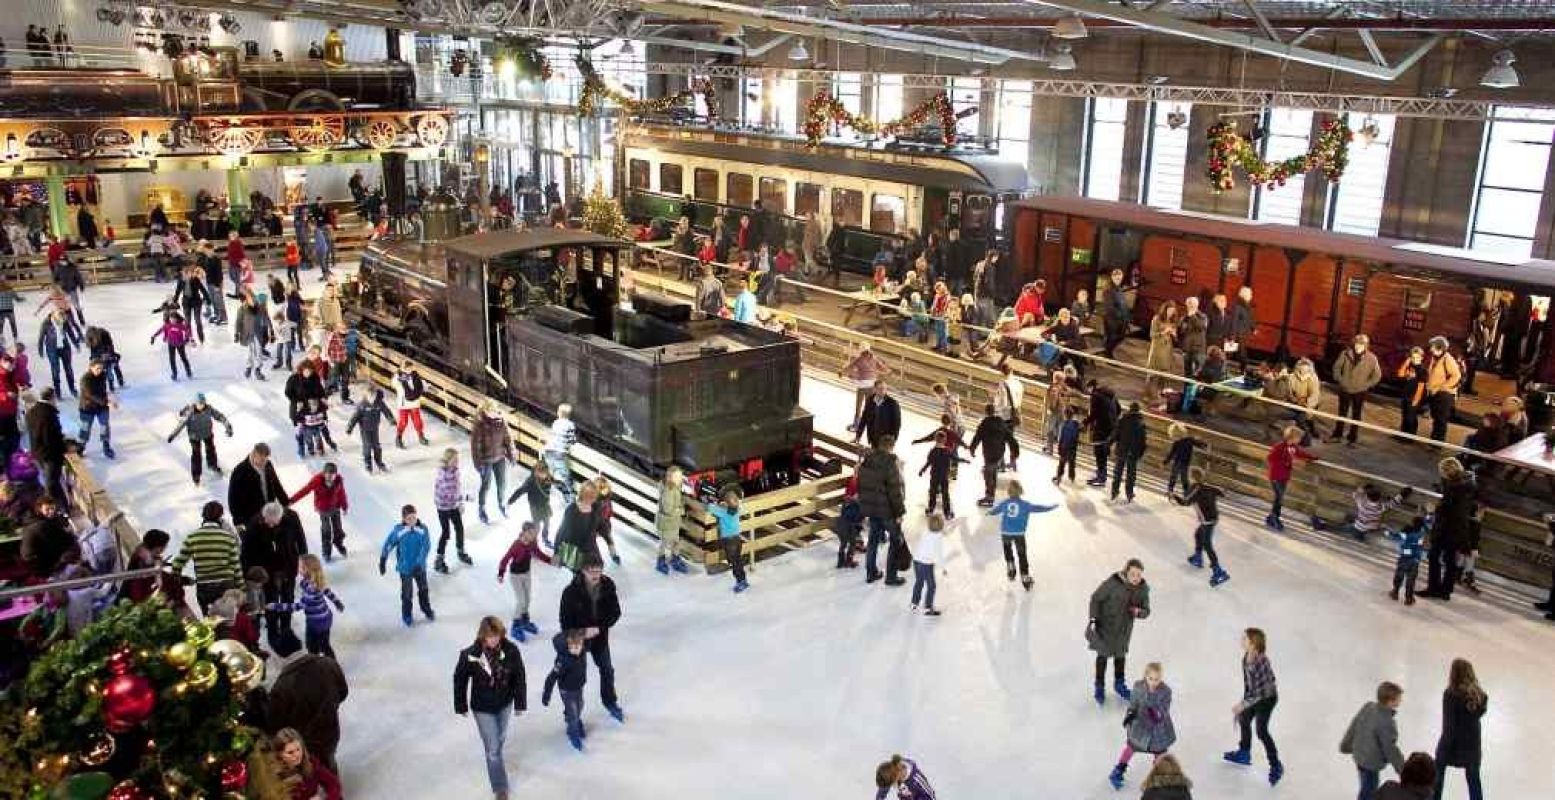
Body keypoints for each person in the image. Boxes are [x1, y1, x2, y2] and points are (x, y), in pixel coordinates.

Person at [453, 616, 526, 800]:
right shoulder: (471, 654)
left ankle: (494, 760)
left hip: (504, 704)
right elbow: (460, 680)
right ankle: (500, 788)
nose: (493, 640)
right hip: (483, 708)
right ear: (482, 636)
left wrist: (519, 703)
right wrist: (460, 705)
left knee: (499, 739)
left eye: (497, 635)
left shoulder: (511, 651)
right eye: (489, 636)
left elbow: (519, 677)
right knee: (493, 749)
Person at [267, 630, 349, 775]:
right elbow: (343, 691)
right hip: (331, 730)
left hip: (303, 741)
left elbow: (276, 723)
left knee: (310, 771)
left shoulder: (281, 687)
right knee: (327, 760)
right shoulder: (327, 663)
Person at [558, 555, 625, 722]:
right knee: (575, 679)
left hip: (599, 637)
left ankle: (610, 701)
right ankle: (572, 717)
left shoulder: (608, 586)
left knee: (607, 670)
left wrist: (599, 629)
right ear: (583, 571)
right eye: (591, 571)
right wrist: (582, 633)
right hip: (577, 639)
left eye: (599, 571)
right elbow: (565, 622)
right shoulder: (570, 592)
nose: (596, 575)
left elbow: (615, 612)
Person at [1224, 627, 1283, 786]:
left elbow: (1260, 692)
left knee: (1261, 731)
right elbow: (1250, 686)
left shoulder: (1261, 660)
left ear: (1253, 643)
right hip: (1255, 696)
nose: (1241, 640)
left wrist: (1242, 705)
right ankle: (1244, 753)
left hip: (1267, 699)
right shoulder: (1246, 657)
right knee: (1244, 719)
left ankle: (1276, 765)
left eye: (1245, 639)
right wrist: (1244, 705)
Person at [1088, 559, 1150, 705]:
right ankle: (1099, 686)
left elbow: (1146, 611)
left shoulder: (1142, 589)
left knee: (1120, 657)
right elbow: (1095, 598)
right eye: (1133, 574)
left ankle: (1119, 684)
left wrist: (1138, 611)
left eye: (1139, 575)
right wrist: (1093, 618)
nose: (1136, 578)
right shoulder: (1113, 583)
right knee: (1102, 656)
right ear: (1126, 572)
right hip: (1105, 627)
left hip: (1124, 630)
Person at [1108, 662, 1177, 791]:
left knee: (1159, 752)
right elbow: (1133, 703)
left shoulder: (1166, 691)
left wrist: (1156, 713)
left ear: (1161, 678)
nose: (1153, 682)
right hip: (1140, 726)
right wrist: (1130, 714)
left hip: (1158, 730)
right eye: (1150, 678)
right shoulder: (1138, 687)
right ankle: (1119, 769)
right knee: (1130, 747)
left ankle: (1159, 774)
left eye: (1157, 679)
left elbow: (1164, 709)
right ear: (1145, 676)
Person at [267, 553, 345, 659]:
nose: (297, 568)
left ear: (306, 569)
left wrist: (276, 606)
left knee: (312, 646)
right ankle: (331, 661)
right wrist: (337, 602)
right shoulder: (317, 581)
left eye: (299, 567)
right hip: (326, 618)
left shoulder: (310, 589)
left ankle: (315, 663)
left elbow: (298, 606)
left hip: (315, 622)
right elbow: (327, 591)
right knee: (325, 644)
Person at [1421, 457, 1476, 602]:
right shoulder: (1467, 484)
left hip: (1446, 528)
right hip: (1458, 529)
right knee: (1450, 560)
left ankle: (1433, 588)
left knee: (1434, 556)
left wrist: (1433, 510)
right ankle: (1446, 590)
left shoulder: (1454, 488)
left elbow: (1448, 508)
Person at [1342, 681, 1408, 799]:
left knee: (1365, 785)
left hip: (1359, 755)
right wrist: (1404, 771)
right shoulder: (1387, 722)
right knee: (1369, 791)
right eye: (1399, 698)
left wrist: (1346, 744)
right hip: (1370, 763)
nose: (1401, 700)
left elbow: (1354, 725)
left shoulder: (1368, 706)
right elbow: (1390, 749)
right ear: (1390, 701)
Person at [1431, 658, 1486, 800]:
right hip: (1472, 748)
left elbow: (1449, 727)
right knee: (1474, 781)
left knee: (1437, 775)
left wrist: (1442, 751)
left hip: (1454, 746)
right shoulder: (1480, 697)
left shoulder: (1450, 695)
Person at [857, 434, 908, 587]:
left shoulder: (867, 460)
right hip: (888, 511)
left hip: (872, 509)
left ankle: (871, 572)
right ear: (891, 446)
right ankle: (891, 577)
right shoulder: (890, 463)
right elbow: (895, 491)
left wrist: (865, 506)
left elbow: (861, 484)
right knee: (895, 541)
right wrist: (899, 513)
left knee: (872, 540)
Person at [990, 479, 1058, 590]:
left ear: (1009, 492)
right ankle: (1025, 577)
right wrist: (1050, 507)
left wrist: (989, 512)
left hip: (1005, 532)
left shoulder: (1005, 503)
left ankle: (1011, 567)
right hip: (1019, 534)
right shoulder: (1025, 505)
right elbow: (1039, 508)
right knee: (1022, 555)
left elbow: (995, 511)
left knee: (1008, 551)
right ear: (1020, 491)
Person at [380, 504, 435, 626]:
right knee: (407, 593)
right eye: (409, 518)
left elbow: (426, 547)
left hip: (420, 568)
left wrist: (420, 562)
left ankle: (426, 609)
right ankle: (407, 614)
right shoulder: (399, 531)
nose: (412, 521)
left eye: (414, 517)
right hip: (405, 569)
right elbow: (389, 544)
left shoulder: (422, 530)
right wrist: (383, 559)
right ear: (404, 519)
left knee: (423, 589)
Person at [498, 521, 553, 642]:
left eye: (535, 533)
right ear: (524, 532)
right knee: (521, 600)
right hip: (515, 576)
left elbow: (539, 554)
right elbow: (505, 559)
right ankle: (515, 625)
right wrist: (501, 573)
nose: (534, 535)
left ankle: (525, 620)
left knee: (527, 599)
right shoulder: (516, 545)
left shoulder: (533, 543)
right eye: (531, 533)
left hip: (526, 574)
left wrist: (551, 561)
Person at [166, 393, 233, 486]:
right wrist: (172, 435)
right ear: (195, 404)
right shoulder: (190, 412)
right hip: (194, 436)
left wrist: (227, 425)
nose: (202, 406)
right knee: (196, 454)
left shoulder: (209, 409)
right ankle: (196, 475)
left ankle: (212, 465)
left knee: (211, 450)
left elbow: (220, 416)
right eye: (199, 404)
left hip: (207, 433)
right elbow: (181, 425)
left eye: (203, 403)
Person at [289, 462, 350, 561]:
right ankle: (326, 551)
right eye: (328, 474)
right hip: (323, 509)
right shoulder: (317, 481)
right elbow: (305, 490)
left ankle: (338, 543)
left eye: (332, 475)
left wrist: (345, 506)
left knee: (338, 528)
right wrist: (292, 500)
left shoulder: (338, 480)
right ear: (324, 473)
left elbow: (342, 494)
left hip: (335, 507)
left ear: (335, 474)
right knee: (326, 530)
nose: (330, 477)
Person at [1330, 334, 1383, 445]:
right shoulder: (1345, 354)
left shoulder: (1372, 358)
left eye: (1361, 344)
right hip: (1345, 388)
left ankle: (1352, 437)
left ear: (1366, 346)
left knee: (1356, 414)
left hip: (1359, 391)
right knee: (1342, 413)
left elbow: (1377, 375)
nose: (1358, 346)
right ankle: (1337, 434)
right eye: (1357, 344)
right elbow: (1336, 367)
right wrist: (1340, 380)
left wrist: (1366, 385)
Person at [469, 401, 516, 524]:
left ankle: (502, 504)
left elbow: (508, 439)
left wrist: (512, 455)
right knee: (486, 485)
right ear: (486, 411)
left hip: (499, 457)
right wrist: (478, 465)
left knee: (502, 483)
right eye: (492, 411)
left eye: (496, 411)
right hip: (485, 460)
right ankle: (482, 508)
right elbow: (475, 447)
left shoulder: (501, 421)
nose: (495, 413)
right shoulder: (480, 424)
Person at [542, 629, 589, 751]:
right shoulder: (563, 661)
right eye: (572, 647)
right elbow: (551, 678)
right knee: (573, 711)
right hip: (567, 691)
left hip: (579, 686)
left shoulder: (583, 652)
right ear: (567, 646)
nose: (576, 650)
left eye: (578, 646)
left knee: (580, 705)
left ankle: (573, 719)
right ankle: (573, 733)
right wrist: (546, 694)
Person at [1264, 425, 1317, 532]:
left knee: (1279, 497)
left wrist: (1312, 457)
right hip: (1276, 476)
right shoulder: (1279, 447)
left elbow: (1300, 453)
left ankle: (1272, 517)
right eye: (1298, 438)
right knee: (1279, 497)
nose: (1300, 440)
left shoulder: (1293, 447)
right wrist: (1286, 462)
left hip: (1284, 476)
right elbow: (1270, 458)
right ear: (1292, 437)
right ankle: (1274, 517)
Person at [228, 442, 289, 528]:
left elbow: (276, 483)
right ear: (254, 454)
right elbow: (233, 498)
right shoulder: (239, 471)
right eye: (261, 460)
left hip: (269, 511)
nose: (264, 463)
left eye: (266, 459)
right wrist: (238, 520)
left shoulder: (268, 465)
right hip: (252, 516)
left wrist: (285, 502)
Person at [272, 728, 342, 800]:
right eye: (290, 752)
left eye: (298, 749)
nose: (297, 755)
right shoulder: (274, 778)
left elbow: (334, 784)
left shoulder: (311, 763)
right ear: (280, 754)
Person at [24, 385, 67, 501]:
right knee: (51, 484)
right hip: (50, 455)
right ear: (52, 398)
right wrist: (63, 448)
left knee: (50, 481)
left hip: (38, 452)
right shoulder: (48, 414)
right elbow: (50, 437)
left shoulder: (31, 412)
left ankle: (61, 505)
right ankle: (54, 505)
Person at [432, 448, 471, 573]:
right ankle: (439, 559)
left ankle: (460, 550)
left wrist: (459, 502)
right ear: (448, 460)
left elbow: (457, 488)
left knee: (459, 528)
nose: (457, 462)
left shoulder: (455, 471)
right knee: (446, 533)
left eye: (457, 459)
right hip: (443, 507)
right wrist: (464, 499)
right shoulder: (442, 475)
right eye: (454, 460)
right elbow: (450, 493)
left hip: (453, 505)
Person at [707, 487, 750, 593]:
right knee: (737, 560)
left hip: (729, 541)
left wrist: (710, 501)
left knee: (734, 562)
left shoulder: (724, 512)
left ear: (726, 503)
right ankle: (743, 579)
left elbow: (710, 508)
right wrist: (724, 503)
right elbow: (734, 505)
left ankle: (741, 581)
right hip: (737, 539)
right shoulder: (737, 509)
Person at [840, 344, 889, 432]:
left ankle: (856, 425)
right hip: (872, 385)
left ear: (861, 350)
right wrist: (885, 371)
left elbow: (849, 367)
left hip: (862, 384)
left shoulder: (859, 359)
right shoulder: (874, 358)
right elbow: (884, 369)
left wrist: (842, 372)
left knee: (859, 405)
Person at [76, 358, 117, 459]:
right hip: (87, 407)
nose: (100, 371)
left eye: (101, 368)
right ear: (91, 367)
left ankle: (106, 446)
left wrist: (107, 401)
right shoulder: (85, 379)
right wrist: (107, 402)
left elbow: (103, 391)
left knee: (105, 425)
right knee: (85, 428)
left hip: (101, 407)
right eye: (97, 368)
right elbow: (90, 395)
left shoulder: (102, 375)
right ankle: (81, 447)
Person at [918, 430, 965, 519]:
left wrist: (922, 470)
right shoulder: (948, 451)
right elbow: (956, 459)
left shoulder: (933, 451)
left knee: (933, 492)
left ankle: (930, 509)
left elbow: (928, 462)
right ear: (945, 440)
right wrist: (965, 460)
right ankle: (947, 513)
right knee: (945, 494)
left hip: (934, 476)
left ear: (935, 439)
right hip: (944, 476)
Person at [345, 387, 392, 474]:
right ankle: (368, 463)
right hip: (365, 429)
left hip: (374, 428)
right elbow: (355, 417)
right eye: (370, 395)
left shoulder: (379, 403)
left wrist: (391, 419)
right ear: (366, 395)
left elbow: (386, 411)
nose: (372, 397)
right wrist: (349, 428)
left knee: (377, 446)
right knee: (367, 446)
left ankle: (379, 462)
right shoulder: (362, 405)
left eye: (373, 395)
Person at [1423, 336, 1462, 442]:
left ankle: (1437, 443)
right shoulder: (1435, 358)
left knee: (1441, 420)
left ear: (1440, 348)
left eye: (1433, 347)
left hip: (1444, 395)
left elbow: (1456, 375)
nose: (1431, 349)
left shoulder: (1448, 359)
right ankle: (1434, 440)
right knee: (1436, 418)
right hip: (1435, 393)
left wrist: (1443, 387)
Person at [1085, 380, 1121, 488]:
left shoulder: (1095, 396)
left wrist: (1085, 423)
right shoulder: (1111, 395)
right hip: (1111, 427)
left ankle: (1101, 476)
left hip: (1101, 427)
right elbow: (1119, 409)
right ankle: (1101, 473)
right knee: (1104, 450)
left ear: (1091, 387)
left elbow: (1094, 414)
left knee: (1099, 451)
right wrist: (1112, 420)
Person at [1109, 401, 1147, 503]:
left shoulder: (1123, 420)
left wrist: (1110, 442)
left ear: (1129, 409)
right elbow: (1142, 441)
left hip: (1121, 450)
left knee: (1118, 472)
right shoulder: (1141, 423)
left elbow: (1116, 433)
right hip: (1133, 453)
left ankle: (1114, 491)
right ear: (1138, 410)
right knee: (1131, 474)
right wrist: (1140, 453)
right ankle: (1129, 493)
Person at [654, 465, 688, 575]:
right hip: (667, 523)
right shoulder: (668, 491)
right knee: (665, 543)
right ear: (670, 478)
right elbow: (668, 510)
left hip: (673, 522)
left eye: (681, 476)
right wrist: (681, 511)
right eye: (677, 477)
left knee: (675, 542)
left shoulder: (675, 487)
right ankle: (661, 561)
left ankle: (675, 558)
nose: (680, 479)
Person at [37, 309, 78, 397]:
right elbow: (41, 338)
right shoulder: (46, 323)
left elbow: (71, 333)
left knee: (69, 369)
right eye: (61, 320)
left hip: (65, 348)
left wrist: (76, 344)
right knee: (55, 371)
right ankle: (58, 392)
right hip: (52, 349)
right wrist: (40, 350)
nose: (62, 322)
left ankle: (72, 389)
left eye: (64, 320)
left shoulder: (64, 321)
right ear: (55, 316)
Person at [854, 380, 903, 450]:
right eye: (879, 389)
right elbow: (864, 418)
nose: (882, 391)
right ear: (874, 389)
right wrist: (858, 435)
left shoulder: (893, 403)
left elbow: (897, 424)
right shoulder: (870, 400)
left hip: (885, 440)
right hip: (873, 437)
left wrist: (893, 440)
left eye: (884, 389)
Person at [992, 363, 1024, 469]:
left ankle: (1000, 462)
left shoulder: (1003, 384)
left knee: (1000, 439)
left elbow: (1003, 402)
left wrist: (995, 409)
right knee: (1011, 438)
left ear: (1002, 371)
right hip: (1014, 414)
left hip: (1004, 415)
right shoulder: (1019, 383)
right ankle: (1013, 461)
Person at [394, 362, 430, 448]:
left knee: (417, 421)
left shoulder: (415, 376)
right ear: (403, 369)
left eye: (411, 368)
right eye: (407, 368)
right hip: (404, 403)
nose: (410, 370)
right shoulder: (398, 377)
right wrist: (402, 377)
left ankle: (421, 436)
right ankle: (398, 438)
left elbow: (422, 385)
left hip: (414, 403)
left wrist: (428, 387)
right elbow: (395, 384)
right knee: (403, 422)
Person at [1396, 346, 1428, 436]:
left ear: (1421, 358)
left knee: (1411, 417)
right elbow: (1400, 374)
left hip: (1414, 397)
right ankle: (1403, 434)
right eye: (1413, 357)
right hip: (1406, 394)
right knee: (1405, 415)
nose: (1415, 360)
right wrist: (1406, 363)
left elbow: (1421, 386)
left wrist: (1416, 400)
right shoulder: (1409, 366)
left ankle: (1410, 436)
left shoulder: (1422, 370)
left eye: (1417, 357)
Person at [1101, 268, 1130, 359]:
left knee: (1120, 337)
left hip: (1121, 320)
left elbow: (1123, 305)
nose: (1119, 280)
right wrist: (1120, 316)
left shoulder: (1119, 289)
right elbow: (1110, 307)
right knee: (1112, 337)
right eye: (1117, 278)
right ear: (1112, 278)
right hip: (1112, 320)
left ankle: (1108, 352)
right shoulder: (1108, 290)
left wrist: (1126, 317)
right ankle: (1107, 353)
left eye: (1120, 278)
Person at [1229, 285, 1255, 367]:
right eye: (1250, 294)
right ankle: (1243, 369)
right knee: (1240, 353)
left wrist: (1253, 328)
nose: (1251, 296)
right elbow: (1234, 321)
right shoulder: (1238, 306)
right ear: (1245, 295)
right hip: (1238, 334)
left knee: (1239, 353)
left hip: (1244, 334)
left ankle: (1242, 369)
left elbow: (1250, 319)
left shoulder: (1248, 307)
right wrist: (1232, 337)